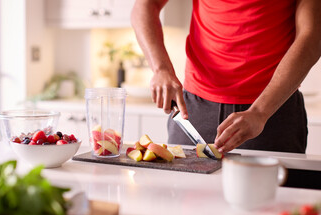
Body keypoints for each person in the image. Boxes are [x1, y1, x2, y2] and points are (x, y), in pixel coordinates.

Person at [131, 0, 321, 154]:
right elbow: (145, 5)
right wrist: (161, 68)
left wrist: (261, 112)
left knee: (276, 200)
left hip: (272, 111)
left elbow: (312, 36)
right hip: (194, 110)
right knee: (184, 197)